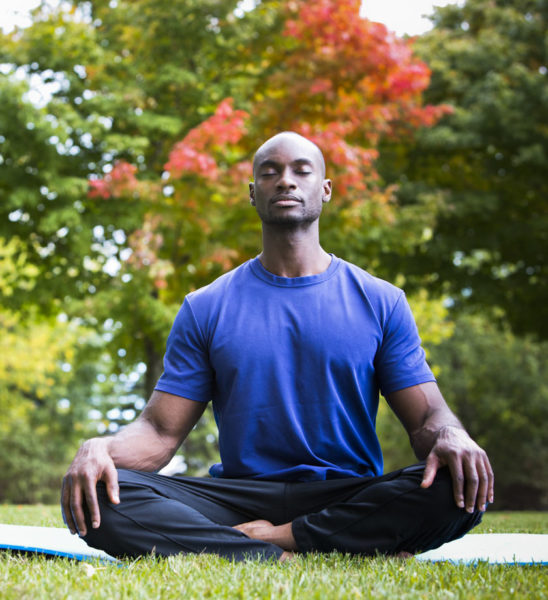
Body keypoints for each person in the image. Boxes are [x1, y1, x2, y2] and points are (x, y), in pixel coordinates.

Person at [61, 132, 494, 562]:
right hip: (238, 496)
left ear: (325, 190)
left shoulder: (381, 301)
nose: (286, 181)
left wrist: (452, 435)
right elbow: (159, 433)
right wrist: (101, 448)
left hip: (346, 492)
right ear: (253, 194)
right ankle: (315, 546)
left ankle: (277, 540)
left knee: (458, 482)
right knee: (99, 493)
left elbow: (425, 420)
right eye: (270, 173)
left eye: (301, 171)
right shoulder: (205, 306)